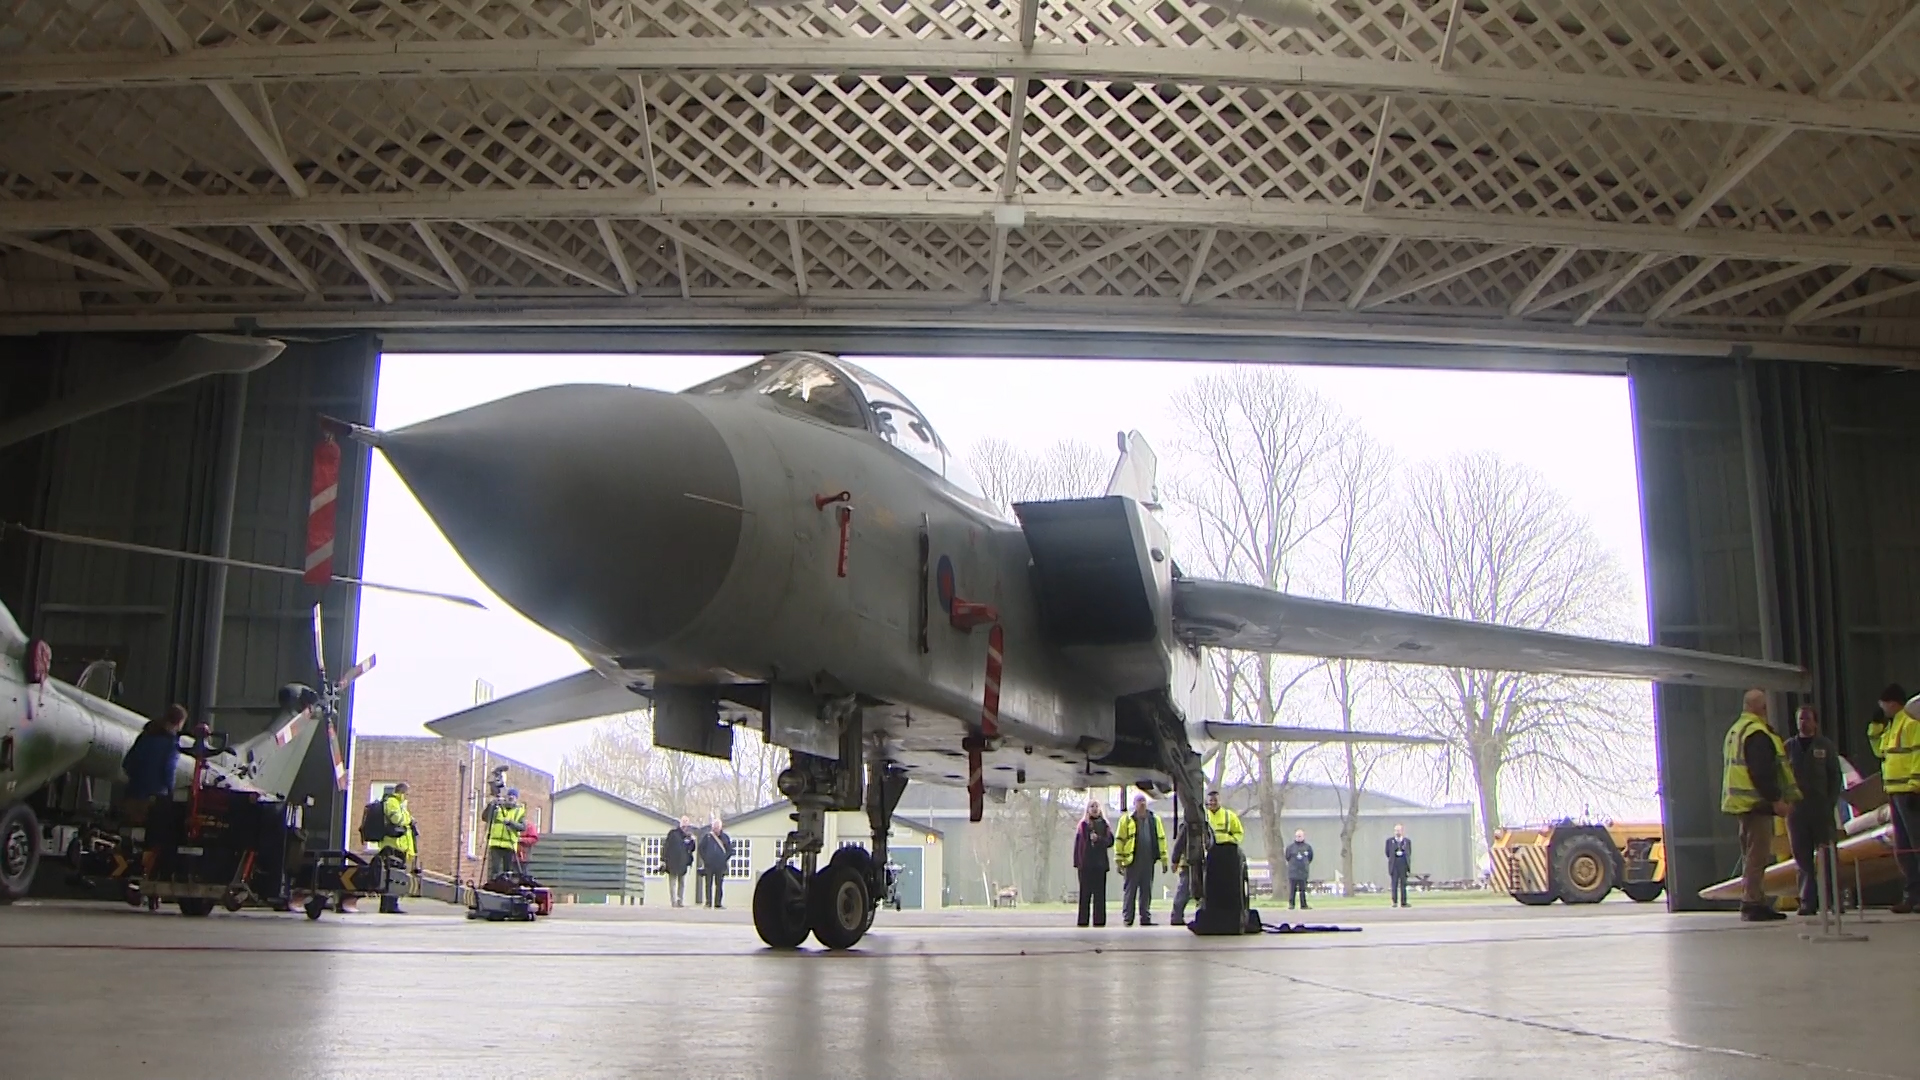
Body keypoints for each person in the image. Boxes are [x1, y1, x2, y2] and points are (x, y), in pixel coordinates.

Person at [1721, 689, 1800, 922]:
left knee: (1750, 856)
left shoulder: (1736, 731)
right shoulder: (1757, 734)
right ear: (1760, 708)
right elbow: (1761, 772)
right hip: (1756, 804)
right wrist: (1776, 800)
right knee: (1758, 856)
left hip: (1741, 804)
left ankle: (1753, 899)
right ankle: (1753, 902)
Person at [1784, 705, 1843, 916]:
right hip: (1797, 811)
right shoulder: (1788, 747)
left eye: (1807, 719)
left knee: (1828, 856)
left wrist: (1830, 802)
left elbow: (1835, 777)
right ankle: (1807, 901)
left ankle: (1833, 900)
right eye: (1800, 719)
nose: (1803, 723)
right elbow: (1781, 776)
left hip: (1821, 809)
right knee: (1802, 857)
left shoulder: (1825, 746)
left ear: (1815, 722)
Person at [1885, 695, 1920, 913]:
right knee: (1904, 847)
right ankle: (1912, 895)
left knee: (1916, 844)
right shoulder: (1895, 724)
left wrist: (1915, 784)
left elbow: (1917, 754)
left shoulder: (1911, 723)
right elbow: (1883, 753)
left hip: (1909, 791)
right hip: (1895, 791)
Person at [1115, 794, 1167, 927]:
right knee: (1130, 890)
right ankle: (1128, 918)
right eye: (1139, 801)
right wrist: (1119, 860)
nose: (1142, 804)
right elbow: (1120, 840)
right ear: (1134, 804)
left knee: (1146, 890)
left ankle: (1145, 918)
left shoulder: (1154, 819)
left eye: (1143, 801)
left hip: (1149, 860)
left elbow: (1161, 839)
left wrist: (1164, 860)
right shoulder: (1126, 820)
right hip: (1132, 860)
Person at [121, 705, 185, 806]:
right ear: (179, 723)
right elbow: (168, 769)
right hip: (155, 794)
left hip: (134, 789)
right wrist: (170, 790)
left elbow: (128, 762)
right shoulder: (171, 743)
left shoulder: (147, 733)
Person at [376, 782, 418, 914]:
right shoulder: (392, 802)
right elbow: (396, 819)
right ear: (401, 792)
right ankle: (389, 905)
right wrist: (409, 820)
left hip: (398, 847)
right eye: (406, 794)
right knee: (393, 876)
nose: (407, 797)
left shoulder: (399, 804)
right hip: (392, 846)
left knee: (394, 876)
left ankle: (390, 904)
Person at [1072, 801, 1114, 928]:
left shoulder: (1105, 825)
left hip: (1100, 865)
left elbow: (1110, 841)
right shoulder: (1083, 825)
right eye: (1092, 807)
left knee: (1099, 895)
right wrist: (1077, 863)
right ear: (1088, 810)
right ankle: (1083, 921)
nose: (1095, 809)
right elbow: (1078, 846)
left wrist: (1099, 839)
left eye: (1097, 806)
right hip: (1085, 865)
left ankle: (1099, 921)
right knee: (1085, 895)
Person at [482, 787, 528, 882]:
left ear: (516, 799)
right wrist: (490, 805)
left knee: (507, 871)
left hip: (509, 845)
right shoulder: (498, 808)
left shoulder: (519, 811)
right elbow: (485, 818)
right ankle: (494, 886)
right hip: (495, 843)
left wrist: (511, 823)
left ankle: (506, 887)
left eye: (513, 797)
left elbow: (523, 827)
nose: (510, 799)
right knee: (495, 869)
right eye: (509, 796)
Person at [662, 815, 696, 908]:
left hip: (683, 863)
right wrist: (663, 860)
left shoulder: (688, 836)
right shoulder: (672, 834)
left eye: (687, 822)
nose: (685, 825)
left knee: (682, 883)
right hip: (672, 862)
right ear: (680, 823)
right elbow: (666, 847)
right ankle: (674, 901)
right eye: (684, 822)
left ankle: (680, 901)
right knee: (672, 883)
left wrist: (693, 841)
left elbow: (691, 849)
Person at [698, 819, 732, 909]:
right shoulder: (707, 837)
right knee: (708, 884)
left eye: (717, 827)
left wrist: (724, 859)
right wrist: (705, 859)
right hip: (709, 865)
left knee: (719, 884)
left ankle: (718, 903)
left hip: (720, 865)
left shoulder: (725, 837)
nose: (715, 829)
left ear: (720, 828)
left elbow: (729, 850)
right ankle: (708, 902)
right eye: (714, 827)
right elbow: (701, 848)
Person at [1169, 818, 1193, 926]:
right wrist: (1175, 860)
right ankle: (1176, 916)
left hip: (1200, 863)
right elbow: (1179, 844)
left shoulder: (1205, 824)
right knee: (1184, 890)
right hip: (1187, 863)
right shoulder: (1186, 826)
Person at [1284, 829, 1314, 910]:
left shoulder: (1307, 847)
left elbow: (1310, 857)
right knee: (1292, 889)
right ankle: (1291, 904)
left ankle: (1303, 905)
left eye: (1300, 836)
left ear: (1303, 837)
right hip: (1293, 872)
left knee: (1302, 890)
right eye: (1297, 836)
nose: (1298, 837)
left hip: (1303, 872)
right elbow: (1287, 857)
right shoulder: (1290, 847)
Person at [1385, 824, 1413, 907]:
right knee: (1394, 884)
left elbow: (1409, 852)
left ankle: (1404, 902)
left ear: (1402, 831)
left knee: (1403, 884)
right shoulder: (1390, 841)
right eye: (1396, 830)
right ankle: (1394, 902)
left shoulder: (1406, 841)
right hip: (1394, 865)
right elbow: (1387, 852)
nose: (1398, 832)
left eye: (1399, 830)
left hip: (1403, 865)